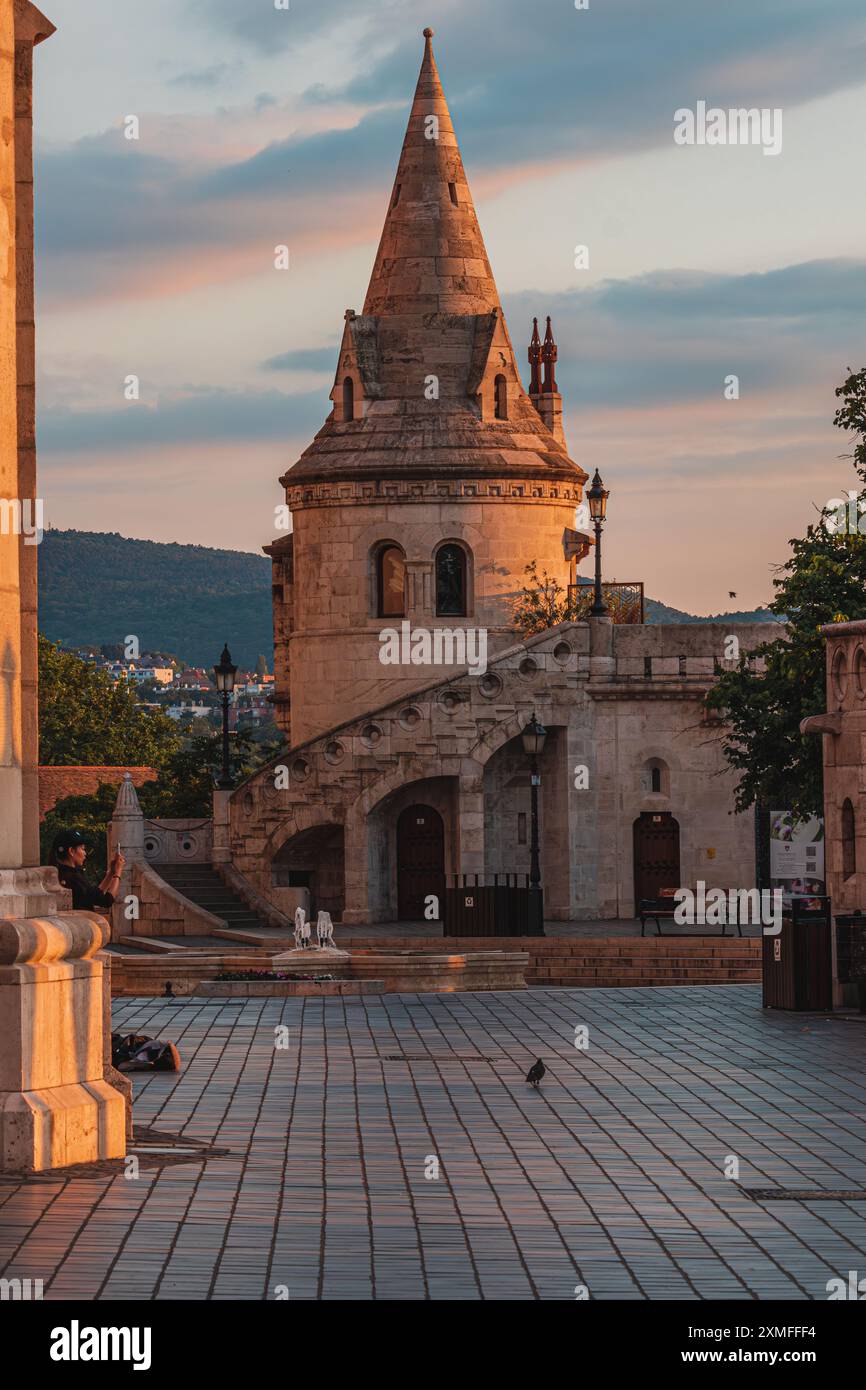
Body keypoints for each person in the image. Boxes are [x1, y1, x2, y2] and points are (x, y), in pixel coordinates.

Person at [52, 829, 125, 911]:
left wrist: (111, 873)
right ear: (71, 851)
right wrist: (118, 873)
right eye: (82, 849)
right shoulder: (73, 878)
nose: (85, 853)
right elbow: (106, 901)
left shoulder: (59, 873)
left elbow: (95, 894)